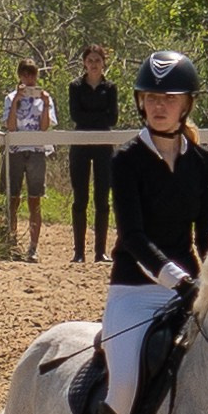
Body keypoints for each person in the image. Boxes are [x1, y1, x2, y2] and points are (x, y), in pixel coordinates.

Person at [79, 50, 208, 414]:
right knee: (125, 381)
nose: (160, 104)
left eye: (170, 97)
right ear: (141, 103)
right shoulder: (127, 161)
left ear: (186, 105)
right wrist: (178, 279)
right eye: (152, 96)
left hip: (188, 293)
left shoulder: (203, 163)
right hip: (135, 292)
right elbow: (133, 238)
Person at [66, 44, 120, 263]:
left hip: (104, 145)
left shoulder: (111, 87)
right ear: (84, 63)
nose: (94, 64)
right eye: (90, 60)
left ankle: (100, 252)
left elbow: (112, 118)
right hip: (80, 143)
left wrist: (94, 118)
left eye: (97, 60)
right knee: (80, 197)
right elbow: (75, 115)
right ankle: (79, 252)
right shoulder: (75, 86)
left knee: (102, 199)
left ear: (103, 62)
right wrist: (98, 116)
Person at [2, 59, 58, 261]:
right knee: (13, 199)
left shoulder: (45, 98)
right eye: (25, 75)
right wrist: (17, 100)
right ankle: (11, 242)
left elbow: (44, 127)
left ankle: (33, 247)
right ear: (19, 76)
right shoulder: (10, 98)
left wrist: (43, 103)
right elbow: (10, 126)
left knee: (35, 199)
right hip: (16, 151)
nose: (29, 79)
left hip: (36, 151)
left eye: (32, 74)